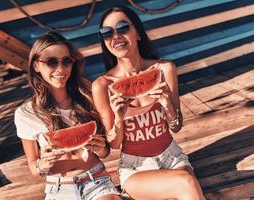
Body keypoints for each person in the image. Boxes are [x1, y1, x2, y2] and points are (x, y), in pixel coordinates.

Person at [92, 6, 205, 200]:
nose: (116, 36)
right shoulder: (102, 86)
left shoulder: (165, 69)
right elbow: (114, 143)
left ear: (138, 33)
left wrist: (167, 103)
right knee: (186, 182)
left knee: (185, 183)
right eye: (107, 33)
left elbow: (176, 127)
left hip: (172, 157)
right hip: (135, 168)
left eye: (123, 28)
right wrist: (118, 117)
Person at [14, 31, 121, 200]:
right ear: (36, 66)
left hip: (97, 182)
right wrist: (43, 164)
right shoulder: (26, 114)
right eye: (51, 62)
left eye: (66, 61)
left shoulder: (89, 99)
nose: (61, 69)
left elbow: (105, 152)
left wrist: (101, 148)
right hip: (59, 189)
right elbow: (34, 168)